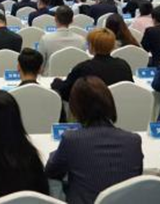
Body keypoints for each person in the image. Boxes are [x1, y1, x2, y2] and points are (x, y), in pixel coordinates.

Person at [45, 76, 143, 204]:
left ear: (76, 108)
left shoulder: (72, 140)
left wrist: (56, 154)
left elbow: (51, 171)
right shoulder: (133, 141)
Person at [51, 28, 132, 101]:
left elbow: (66, 92)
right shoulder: (124, 66)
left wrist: (57, 82)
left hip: (92, 111)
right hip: (121, 109)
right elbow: (130, 88)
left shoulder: (83, 68)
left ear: (91, 46)